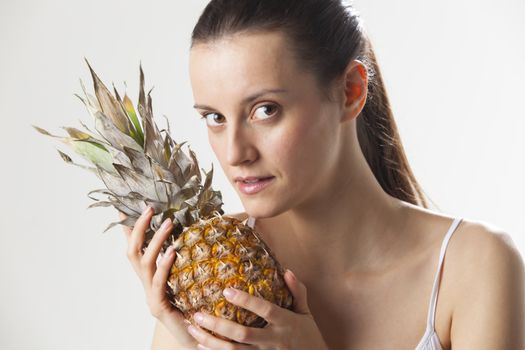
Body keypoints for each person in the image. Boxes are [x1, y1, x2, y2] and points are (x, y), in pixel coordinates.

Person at [120, 1, 525, 349]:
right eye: (214, 118)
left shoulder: (470, 266)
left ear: (350, 91)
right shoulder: (212, 283)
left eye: (265, 110)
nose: (234, 153)